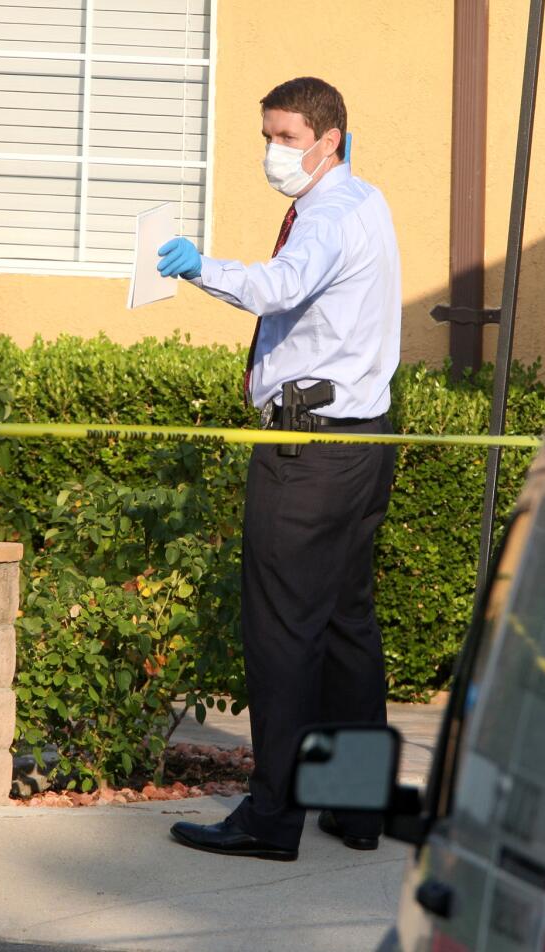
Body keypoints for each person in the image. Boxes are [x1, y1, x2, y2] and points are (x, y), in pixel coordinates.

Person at [161, 77, 400, 860]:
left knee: (282, 634)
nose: (275, 151)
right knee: (344, 624)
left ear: (330, 138)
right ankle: (354, 804)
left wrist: (199, 268)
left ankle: (271, 819)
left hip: (308, 451)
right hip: (362, 440)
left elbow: (281, 286)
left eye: (289, 137)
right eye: (269, 135)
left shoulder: (328, 216)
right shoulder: (365, 199)